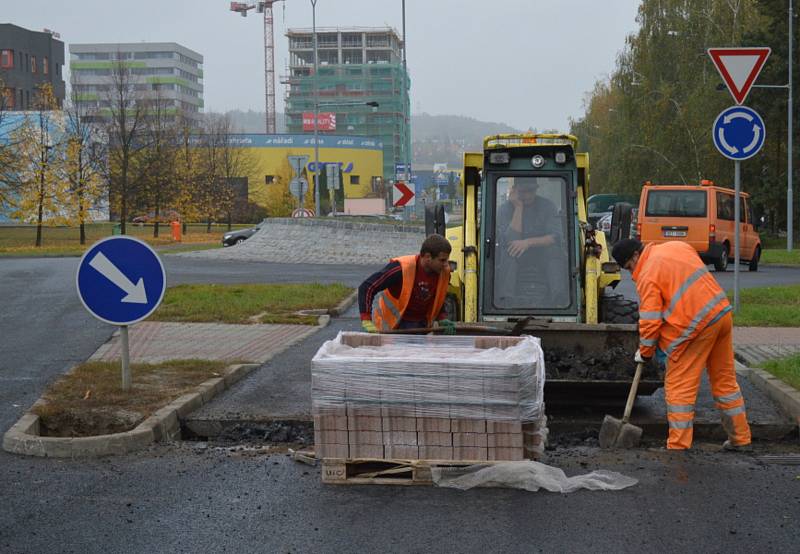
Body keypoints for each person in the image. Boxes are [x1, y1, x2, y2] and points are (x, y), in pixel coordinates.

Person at [612, 238, 752, 451]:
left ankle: (678, 446)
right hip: (720, 315)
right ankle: (741, 439)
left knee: (679, 389)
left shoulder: (648, 273)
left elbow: (650, 320)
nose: (632, 274)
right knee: (725, 383)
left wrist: (646, 352)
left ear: (635, 256)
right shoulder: (677, 246)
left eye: (630, 267)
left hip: (694, 328)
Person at [358, 233, 455, 334]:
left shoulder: (443, 272)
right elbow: (367, 287)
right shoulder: (401, 269)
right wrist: (366, 319)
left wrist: (442, 317)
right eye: (442, 260)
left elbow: (438, 296)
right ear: (428, 257)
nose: (446, 264)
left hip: (421, 327)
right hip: (392, 328)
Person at [495, 178, 565, 305]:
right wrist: (518, 207)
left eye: (531, 191)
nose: (527, 195)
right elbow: (510, 240)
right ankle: (506, 301)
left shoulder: (547, 206)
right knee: (508, 253)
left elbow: (555, 237)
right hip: (517, 257)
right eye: (523, 191)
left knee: (556, 253)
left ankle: (559, 300)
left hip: (543, 254)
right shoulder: (504, 210)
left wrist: (527, 242)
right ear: (515, 190)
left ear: (536, 189)